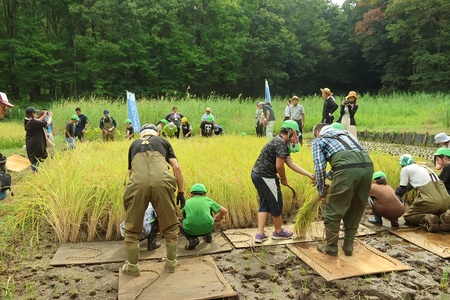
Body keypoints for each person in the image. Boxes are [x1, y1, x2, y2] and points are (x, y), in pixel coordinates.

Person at [122, 123, 185, 276]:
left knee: (131, 226)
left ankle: (132, 266)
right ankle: (171, 263)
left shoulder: (134, 144)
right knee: (169, 224)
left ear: (142, 135)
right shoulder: (162, 141)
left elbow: (131, 172)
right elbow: (176, 168)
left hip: (137, 184)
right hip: (162, 182)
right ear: (156, 133)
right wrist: (181, 192)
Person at [312, 123, 373, 256]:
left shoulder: (319, 139)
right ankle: (348, 246)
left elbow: (319, 167)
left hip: (347, 170)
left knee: (333, 210)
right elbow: (348, 163)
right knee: (356, 208)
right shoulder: (347, 134)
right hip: (368, 168)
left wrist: (321, 189)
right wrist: (329, 176)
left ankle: (331, 247)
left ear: (317, 131)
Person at [251, 120, 315, 243]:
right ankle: (278, 232)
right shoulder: (280, 143)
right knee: (277, 203)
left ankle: (260, 234)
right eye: (295, 134)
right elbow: (279, 166)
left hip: (256, 174)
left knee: (264, 203)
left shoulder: (279, 141)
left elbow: (290, 163)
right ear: (291, 132)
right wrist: (284, 180)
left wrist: (308, 174)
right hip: (266, 177)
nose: (295, 138)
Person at [395, 154, 450, 232]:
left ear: (402, 164)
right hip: (446, 200)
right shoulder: (424, 167)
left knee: (409, 216)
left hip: (432, 200)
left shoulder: (405, 169)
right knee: (437, 211)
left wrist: (394, 196)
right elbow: (409, 187)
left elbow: (402, 189)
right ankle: (444, 217)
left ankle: (427, 217)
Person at [179, 183, 228, 250]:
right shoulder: (208, 200)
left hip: (190, 229)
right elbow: (224, 211)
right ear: (205, 194)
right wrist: (215, 218)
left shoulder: (186, 202)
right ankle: (208, 235)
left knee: (178, 221)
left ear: (191, 194)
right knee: (209, 212)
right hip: (208, 227)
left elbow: (184, 217)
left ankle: (192, 239)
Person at [25, 107, 51, 172]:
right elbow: (47, 123)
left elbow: (37, 121)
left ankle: (35, 172)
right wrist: (50, 116)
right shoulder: (33, 122)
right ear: (32, 114)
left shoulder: (27, 120)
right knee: (35, 159)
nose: (36, 114)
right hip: (36, 143)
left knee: (34, 158)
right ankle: (35, 173)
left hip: (30, 143)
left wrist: (44, 116)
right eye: (35, 113)